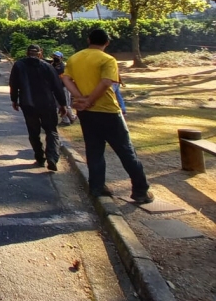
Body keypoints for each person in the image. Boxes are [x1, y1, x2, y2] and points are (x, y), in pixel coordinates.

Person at [61, 29, 153, 203]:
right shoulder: (107, 59)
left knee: (94, 150)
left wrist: (81, 98)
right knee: (126, 151)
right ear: (107, 42)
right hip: (108, 111)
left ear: (88, 40)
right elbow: (106, 82)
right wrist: (91, 100)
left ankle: (96, 187)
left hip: (86, 113)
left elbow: (66, 79)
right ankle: (140, 191)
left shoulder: (75, 58)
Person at [9, 44, 67, 171]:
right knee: (51, 130)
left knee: (33, 131)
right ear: (40, 53)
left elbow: (13, 84)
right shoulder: (47, 67)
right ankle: (52, 157)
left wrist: (14, 100)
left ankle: (40, 158)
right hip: (47, 103)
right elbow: (57, 86)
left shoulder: (19, 65)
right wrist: (63, 104)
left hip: (28, 103)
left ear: (26, 53)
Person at [51, 51, 75, 126]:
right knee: (59, 105)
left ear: (61, 57)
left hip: (64, 87)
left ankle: (71, 117)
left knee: (66, 104)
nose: (56, 58)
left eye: (57, 56)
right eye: (54, 56)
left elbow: (62, 77)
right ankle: (66, 120)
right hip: (56, 88)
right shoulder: (52, 65)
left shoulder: (63, 66)